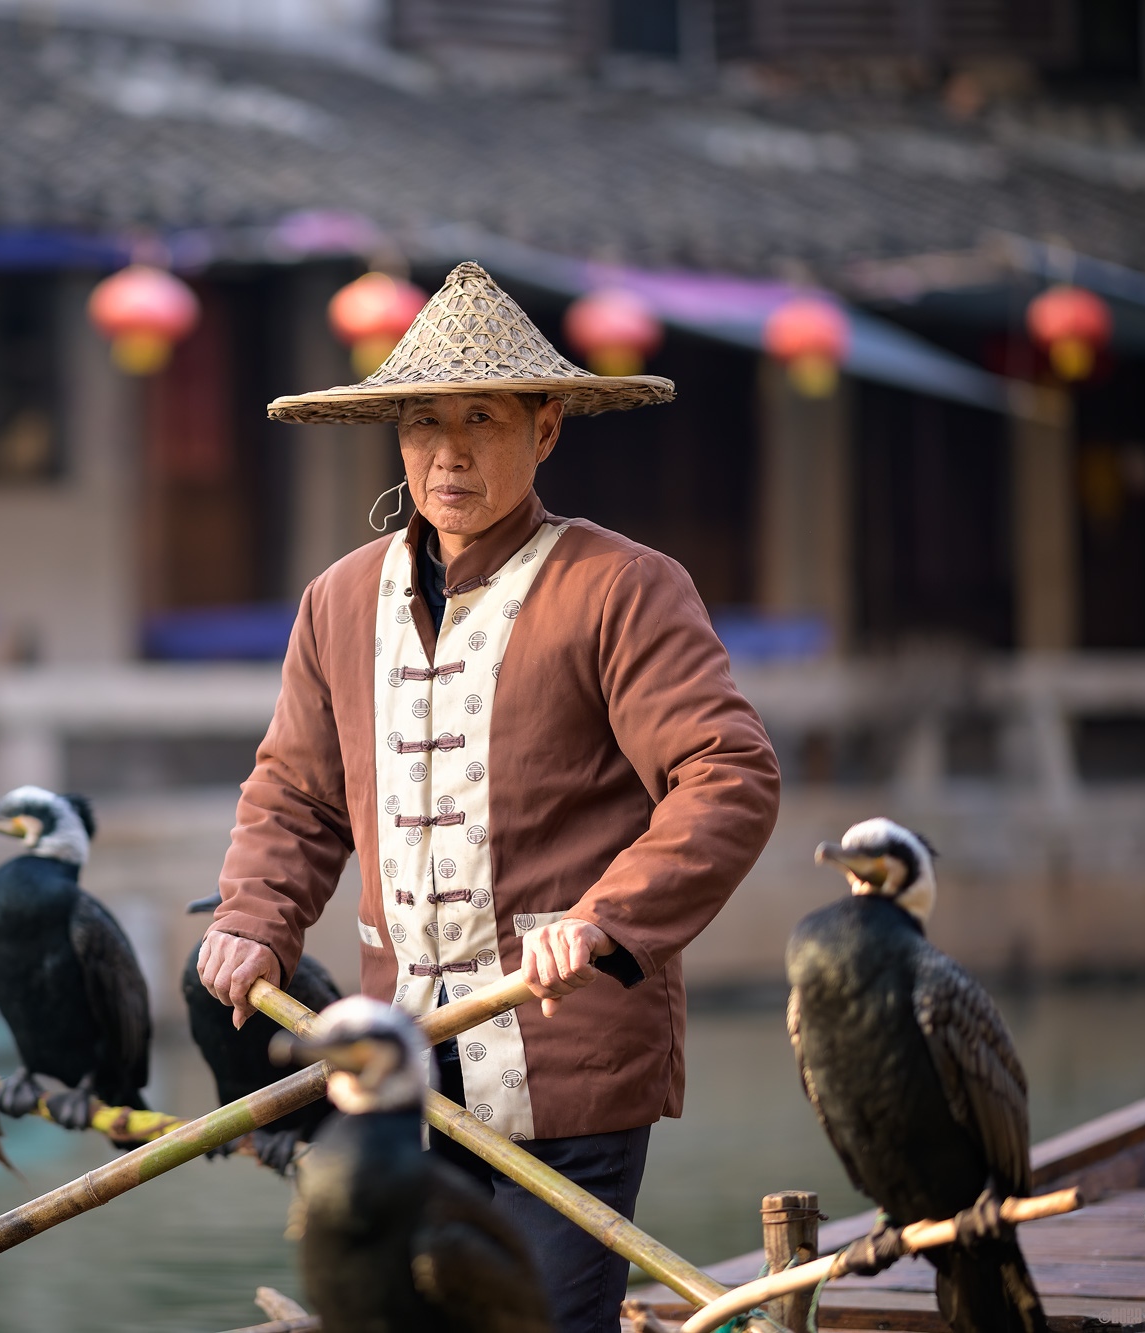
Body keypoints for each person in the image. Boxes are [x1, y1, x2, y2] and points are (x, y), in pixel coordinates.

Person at [198, 263, 781, 1332]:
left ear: (544, 429)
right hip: (405, 1077)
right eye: (422, 422)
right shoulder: (335, 600)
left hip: (569, 1054)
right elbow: (292, 796)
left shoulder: (620, 587)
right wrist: (251, 917)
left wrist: (607, 920)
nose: (448, 451)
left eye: (481, 419)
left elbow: (726, 776)